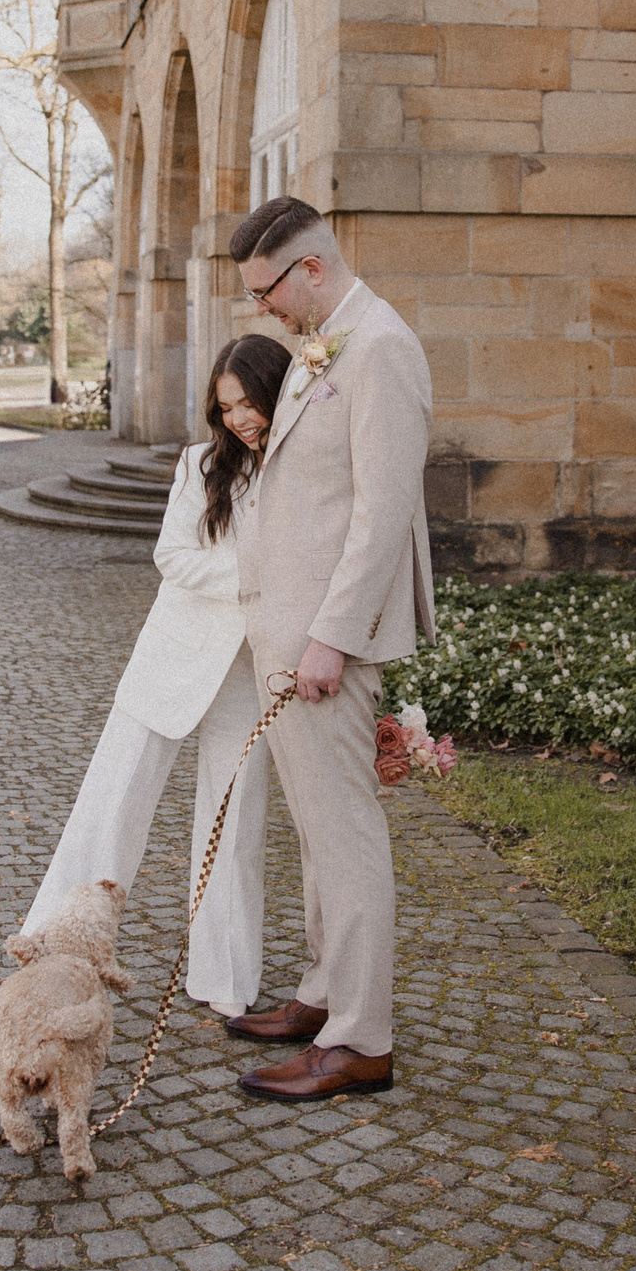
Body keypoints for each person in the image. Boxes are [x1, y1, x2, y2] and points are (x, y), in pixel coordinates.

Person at [222, 195, 433, 1103]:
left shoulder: (380, 346)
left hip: (324, 646)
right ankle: (323, 992)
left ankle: (359, 1040)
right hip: (289, 631)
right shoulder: (327, 341)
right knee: (316, 829)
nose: (261, 308)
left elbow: (383, 513)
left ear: (311, 267)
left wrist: (331, 638)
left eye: (266, 289)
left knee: (346, 837)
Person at [17, 333, 296, 1017]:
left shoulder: (300, 465)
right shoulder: (201, 464)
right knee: (112, 802)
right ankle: (48, 950)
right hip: (171, 656)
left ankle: (225, 980)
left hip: (249, 669)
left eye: (248, 403)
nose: (238, 419)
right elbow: (172, 556)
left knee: (235, 826)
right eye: (225, 407)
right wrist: (256, 579)